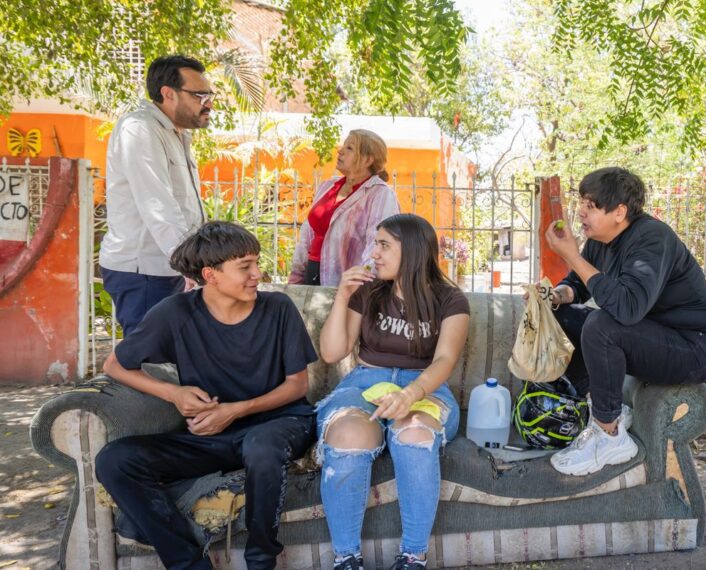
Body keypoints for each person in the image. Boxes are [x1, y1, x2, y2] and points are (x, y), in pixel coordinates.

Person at [94, 221, 318, 570]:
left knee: (262, 444)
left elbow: (297, 385)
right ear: (210, 274)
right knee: (114, 460)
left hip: (281, 425)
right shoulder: (176, 312)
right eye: (245, 267)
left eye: (256, 263)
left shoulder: (278, 308)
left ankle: (261, 562)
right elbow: (115, 365)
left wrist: (235, 410)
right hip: (212, 437)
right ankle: (188, 563)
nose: (257, 274)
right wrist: (173, 393)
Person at [542, 166, 706, 477]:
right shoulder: (599, 239)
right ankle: (599, 409)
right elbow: (581, 283)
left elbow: (627, 308)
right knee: (560, 313)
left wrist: (572, 255)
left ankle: (609, 434)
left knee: (602, 325)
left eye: (591, 205)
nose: (581, 212)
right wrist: (554, 296)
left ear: (619, 211)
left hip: (694, 346)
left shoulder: (652, 238)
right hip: (654, 336)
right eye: (582, 203)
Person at [315, 214, 469, 570]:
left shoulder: (450, 299)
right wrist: (342, 296)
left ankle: (413, 557)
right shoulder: (368, 290)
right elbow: (332, 353)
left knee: (414, 433)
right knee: (350, 434)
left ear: (412, 251)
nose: (375, 253)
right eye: (376, 244)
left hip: (426, 386)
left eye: (384, 245)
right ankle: (346, 558)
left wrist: (411, 394)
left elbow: (445, 359)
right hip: (365, 383)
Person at [99, 54, 213, 335]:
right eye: (200, 95)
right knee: (148, 361)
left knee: (169, 358)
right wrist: (195, 268)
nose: (208, 103)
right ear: (168, 94)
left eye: (210, 95)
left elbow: (182, 207)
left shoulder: (177, 135)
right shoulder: (139, 129)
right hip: (144, 271)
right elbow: (158, 206)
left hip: (170, 267)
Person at [289, 129, 399, 287]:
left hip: (347, 282)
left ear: (367, 160)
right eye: (343, 146)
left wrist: (358, 285)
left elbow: (377, 244)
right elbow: (308, 232)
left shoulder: (380, 194)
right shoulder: (327, 186)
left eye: (350, 148)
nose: (340, 151)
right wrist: (297, 273)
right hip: (312, 271)